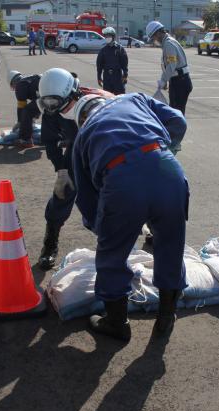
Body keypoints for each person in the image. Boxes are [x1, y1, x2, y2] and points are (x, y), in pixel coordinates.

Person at [71, 93, 189, 341]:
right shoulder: (134, 99)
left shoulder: (83, 136)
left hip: (121, 179)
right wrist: (166, 149)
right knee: (171, 244)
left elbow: (86, 196)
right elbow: (178, 120)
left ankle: (117, 323)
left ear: (82, 118)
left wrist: (102, 229)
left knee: (112, 256)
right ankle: (166, 316)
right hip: (167, 168)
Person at [36, 68, 114, 270]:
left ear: (73, 94)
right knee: (62, 196)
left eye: (57, 104)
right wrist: (60, 170)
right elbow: (51, 142)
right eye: (49, 103)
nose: (54, 108)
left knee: (118, 196)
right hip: (76, 151)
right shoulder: (52, 108)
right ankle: (49, 244)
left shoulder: (99, 100)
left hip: (104, 151)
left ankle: (141, 228)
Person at [146, 21, 193, 115]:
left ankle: (178, 129)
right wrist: (166, 80)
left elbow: (172, 64)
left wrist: (163, 80)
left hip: (180, 82)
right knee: (175, 112)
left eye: (153, 37)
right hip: (179, 80)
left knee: (176, 113)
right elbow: (168, 65)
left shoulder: (168, 44)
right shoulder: (168, 42)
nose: (154, 40)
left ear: (158, 33)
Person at [8, 70, 41, 148]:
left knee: (27, 111)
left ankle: (26, 140)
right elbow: (37, 101)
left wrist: (20, 122)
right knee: (51, 114)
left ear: (13, 83)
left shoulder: (20, 85)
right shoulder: (30, 80)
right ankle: (62, 136)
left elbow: (21, 106)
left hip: (46, 96)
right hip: (53, 92)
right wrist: (35, 116)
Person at [96, 27, 129, 95]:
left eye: (109, 36)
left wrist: (125, 74)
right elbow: (99, 65)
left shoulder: (120, 49)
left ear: (113, 36)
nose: (107, 37)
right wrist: (99, 77)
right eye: (106, 36)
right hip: (107, 77)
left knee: (120, 97)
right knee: (107, 97)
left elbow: (124, 63)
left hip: (118, 76)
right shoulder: (103, 50)